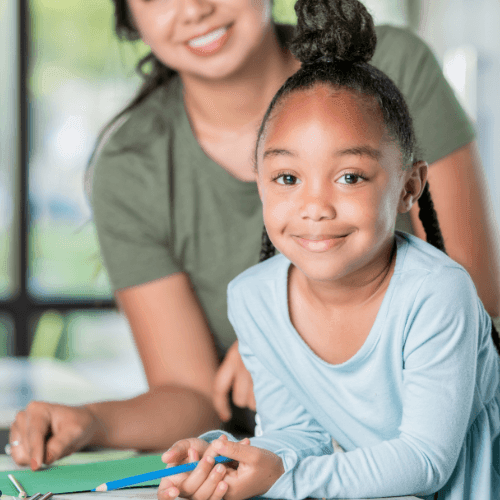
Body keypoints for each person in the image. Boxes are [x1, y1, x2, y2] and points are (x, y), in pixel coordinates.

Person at [8, 0, 500, 472]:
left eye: (349, 175)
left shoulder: (390, 65)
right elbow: (197, 398)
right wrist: (92, 421)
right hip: (279, 458)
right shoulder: (131, 166)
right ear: (129, 16)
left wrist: (291, 336)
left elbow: (473, 305)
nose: (193, 8)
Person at [156, 1, 500, 499]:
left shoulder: (439, 292)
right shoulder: (253, 299)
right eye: (287, 178)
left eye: (350, 177)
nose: (314, 206)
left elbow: (425, 462)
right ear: (260, 184)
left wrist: (280, 480)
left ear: (409, 187)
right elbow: (300, 438)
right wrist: (229, 460)